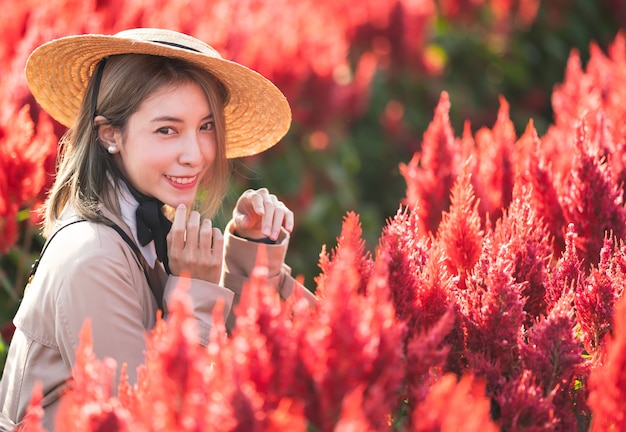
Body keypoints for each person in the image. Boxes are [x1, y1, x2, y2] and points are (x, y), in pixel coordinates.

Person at [0, 28, 313, 430]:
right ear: (110, 135)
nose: (194, 153)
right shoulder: (93, 257)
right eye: (167, 130)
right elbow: (155, 417)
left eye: (206, 127)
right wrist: (190, 295)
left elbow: (268, 354)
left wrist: (252, 249)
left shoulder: (142, 233)